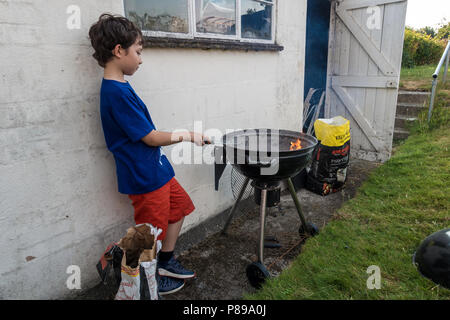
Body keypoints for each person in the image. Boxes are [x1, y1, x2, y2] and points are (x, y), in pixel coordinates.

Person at [88, 13, 210, 296]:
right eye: (138, 52)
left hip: (157, 169)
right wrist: (189, 135)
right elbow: (150, 137)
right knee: (147, 234)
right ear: (119, 51)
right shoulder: (114, 93)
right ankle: (142, 277)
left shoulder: (121, 86)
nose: (141, 59)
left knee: (179, 208)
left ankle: (164, 262)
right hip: (144, 177)